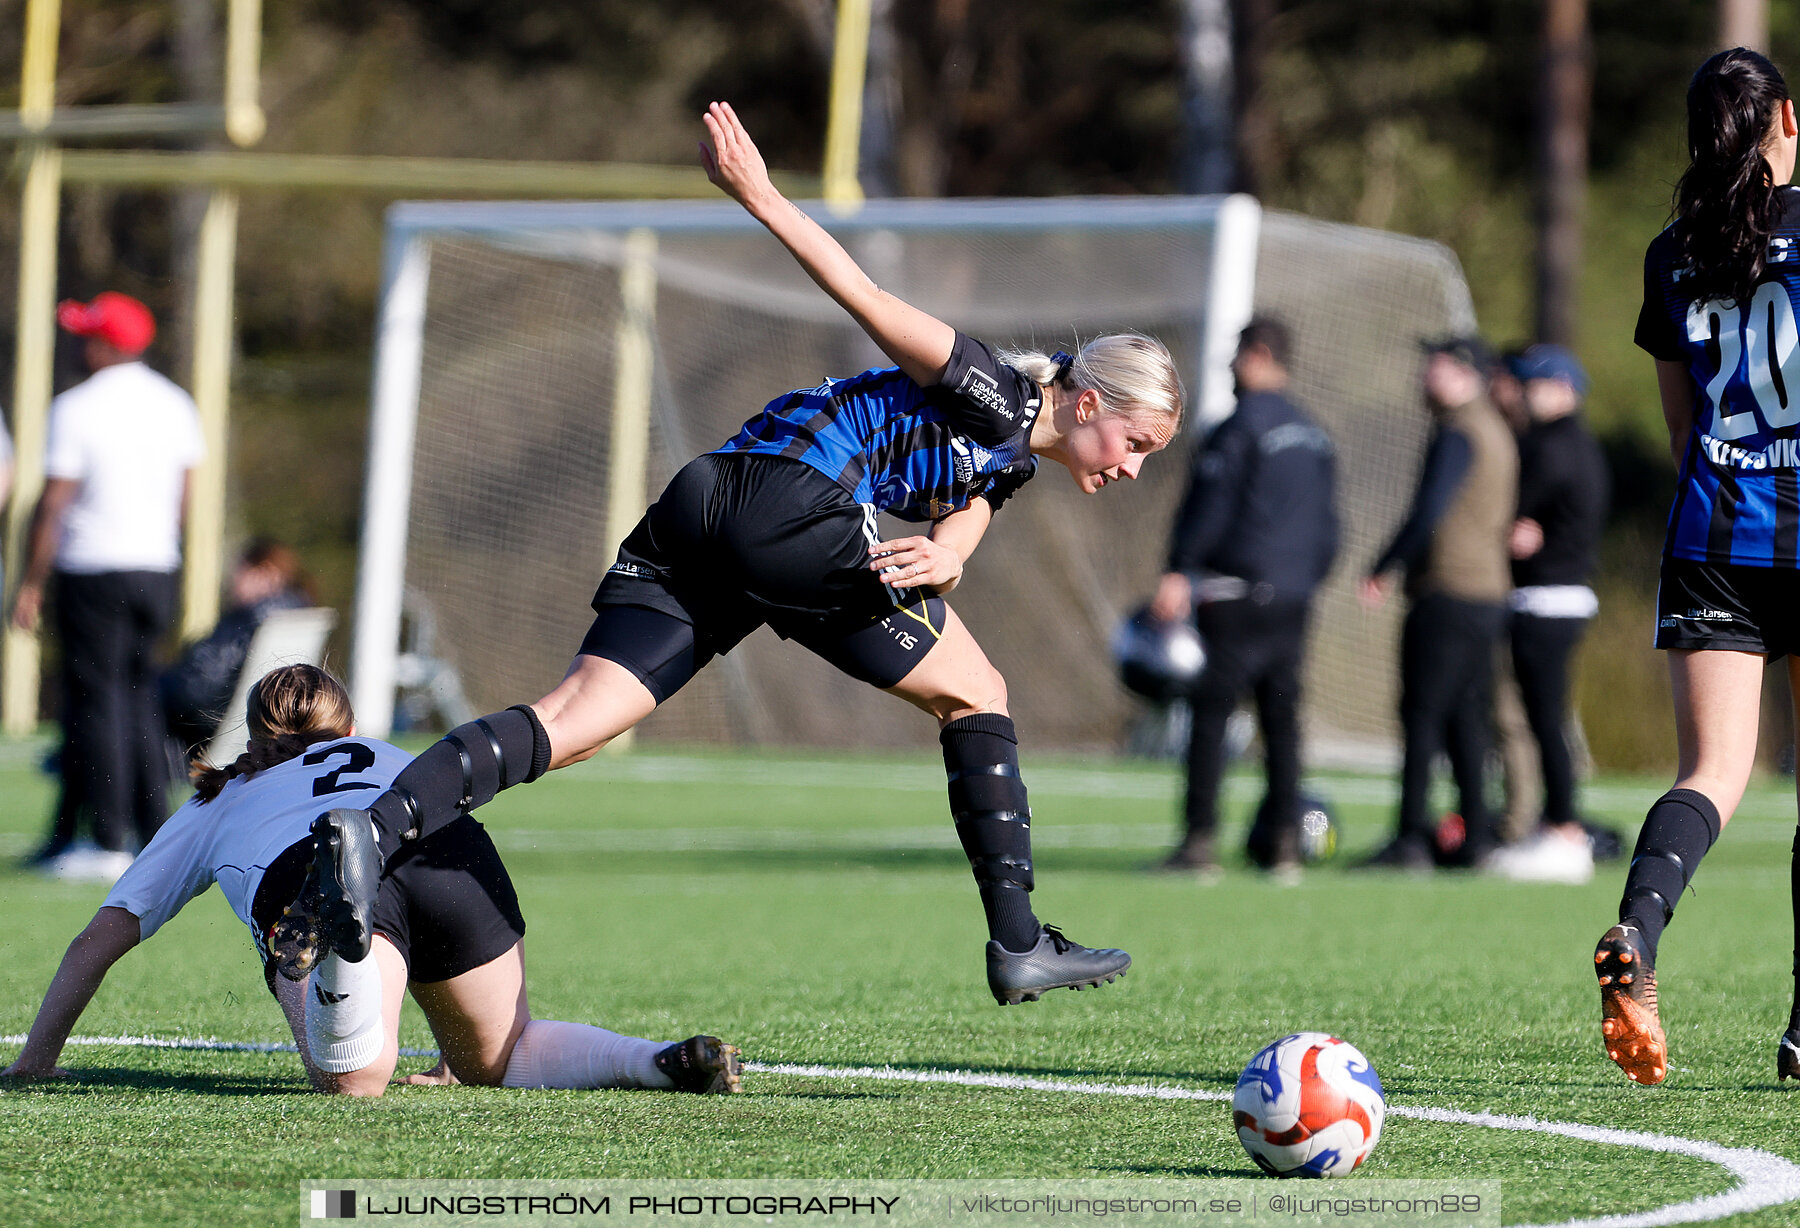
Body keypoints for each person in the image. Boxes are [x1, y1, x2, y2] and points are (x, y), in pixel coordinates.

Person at [304, 102, 1184, 1009]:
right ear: (1088, 405)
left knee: (579, 722)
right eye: (1137, 442)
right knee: (981, 695)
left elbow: (970, 514)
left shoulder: (1005, 453)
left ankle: (372, 833)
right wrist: (761, 196)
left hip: (708, 502)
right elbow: (869, 300)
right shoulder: (991, 389)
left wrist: (949, 557)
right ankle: (1020, 941)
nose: (1134, 468)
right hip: (790, 509)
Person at [1, 664, 742, 1097]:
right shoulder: (391, 752)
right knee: (501, 1057)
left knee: (357, 1079)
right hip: (447, 851)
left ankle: (343, 932)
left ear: (255, 736)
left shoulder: (219, 802)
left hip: (314, 870)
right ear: (349, 725)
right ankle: (654, 1061)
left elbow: (100, 939)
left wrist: (38, 1059)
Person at [1602, 47, 1800, 1086]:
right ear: (1788, 122)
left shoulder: (1671, 250)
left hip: (1714, 536)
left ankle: (1637, 931)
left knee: (1713, 771)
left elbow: (1685, 426)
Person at [14, 293, 204, 881]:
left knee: (96, 703)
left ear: (104, 343)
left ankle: (109, 836)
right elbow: (184, 495)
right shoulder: (175, 403)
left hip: (94, 567)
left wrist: (29, 581)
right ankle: (154, 828)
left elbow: (55, 502)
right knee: (139, 697)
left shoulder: (77, 406)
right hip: (156, 567)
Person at [1147, 316, 1338, 878]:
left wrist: (1180, 569)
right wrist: (1304, 578)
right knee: (1282, 722)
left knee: (1212, 717)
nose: (1231, 366)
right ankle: (1283, 846)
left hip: (1233, 595)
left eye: (1237, 355)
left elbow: (1209, 509)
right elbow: (1330, 529)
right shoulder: (1316, 434)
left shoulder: (1236, 430)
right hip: (1295, 596)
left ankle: (1198, 843)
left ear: (1256, 355)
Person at [1359, 336, 1518, 870]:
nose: (1428, 374)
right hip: (1488, 595)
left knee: (1423, 715)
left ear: (1466, 374)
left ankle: (1409, 839)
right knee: (1466, 719)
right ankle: (1476, 839)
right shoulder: (1498, 430)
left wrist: (1384, 564)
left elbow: (1428, 509)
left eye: (1439, 366)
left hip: (1448, 591)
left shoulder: (1459, 431)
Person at [1484, 344, 1610, 885]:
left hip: (1547, 599)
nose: (1526, 394)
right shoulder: (1576, 445)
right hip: (1561, 597)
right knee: (1544, 719)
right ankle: (1556, 824)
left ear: (1562, 389)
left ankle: (1563, 828)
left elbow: (1518, 522)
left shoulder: (1553, 448)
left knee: (1545, 720)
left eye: (1535, 385)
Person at [162, 537, 315, 760]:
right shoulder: (294, 614)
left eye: (241, 571)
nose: (234, 581)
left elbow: (194, 690)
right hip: (245, 723)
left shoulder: (247, 620)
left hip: (206, 728)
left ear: (266, 574)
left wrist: (153, 686)